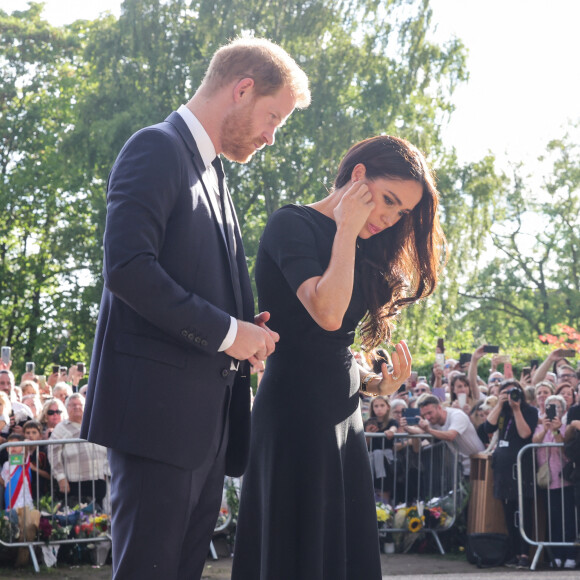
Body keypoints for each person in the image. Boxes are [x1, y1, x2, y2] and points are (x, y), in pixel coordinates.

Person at [80, 37, 310, 580]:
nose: (272, 137)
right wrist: (230, 333)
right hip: (157, 421)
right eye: (272, 117)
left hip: (204, 426)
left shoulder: (214, 173)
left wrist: (245, 328)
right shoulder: (154, 147)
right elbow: (128, 269)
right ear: (242, 89)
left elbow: (193, 282)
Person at [232, 134, 446, 579]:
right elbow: (326, 314)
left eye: (401, 212)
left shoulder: (363, 245)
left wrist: (374, 384)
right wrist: (347, 228)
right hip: (294, 412)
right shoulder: (291, 224)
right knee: (296, 553)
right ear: (358, 174)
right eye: (388, 201)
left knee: (340, 555)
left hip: (343, 415)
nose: (388, 218)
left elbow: (336, 345)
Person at [483, 379, 538, 569]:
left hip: (522, 468)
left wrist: (516, 409)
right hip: (503, 469)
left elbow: (525, 434)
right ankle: (515, 553)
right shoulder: (501, 411)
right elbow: (487, 428)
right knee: (508, 512)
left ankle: (524, 554)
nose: (510, 396)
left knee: (523, 512)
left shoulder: (529, 411)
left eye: (513, 392)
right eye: (505, 393)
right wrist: (499, 404)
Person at [415, 394, 484, 478]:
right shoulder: (433, 420)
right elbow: (420, 431)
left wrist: (429, 430)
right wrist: (407, 427)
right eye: (424, 415)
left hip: (480, 462)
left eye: (429, 413)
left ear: (439, 408)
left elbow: (450, 436)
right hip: (463, 467)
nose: (428, 417)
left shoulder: (457, 415)